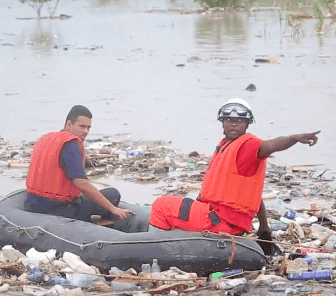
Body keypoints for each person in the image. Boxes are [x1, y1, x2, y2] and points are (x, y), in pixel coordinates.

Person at [149, 98, 320, 254]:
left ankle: (154, 252)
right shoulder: (225, 146)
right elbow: (251, 194)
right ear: (222, 123)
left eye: (239, 121)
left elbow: (271, 145)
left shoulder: (249, 146)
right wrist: (264, 227)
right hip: (222, 218)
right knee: (180, 206)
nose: (234, 125)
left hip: (220, 221)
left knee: (161, 205)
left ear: (247, 124)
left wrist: (295, 138)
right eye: (229, 120)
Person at [24, 105, 132, 223]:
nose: (85, 131)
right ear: (69, 124)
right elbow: (80, 183)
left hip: (32, 204)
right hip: (60, 209)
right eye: (82, 126)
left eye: (88, 128)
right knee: (112, 194)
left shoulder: (45, 138)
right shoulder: (70, 144)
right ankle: (98, 224)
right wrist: (113, 209)